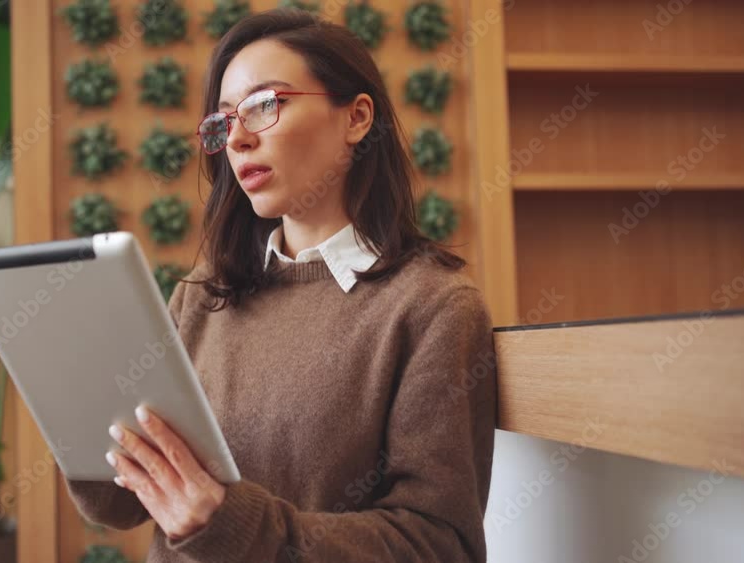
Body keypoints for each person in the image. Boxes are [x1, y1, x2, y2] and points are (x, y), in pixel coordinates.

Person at [63, 8, 497, 563]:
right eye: (224, 122)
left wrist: (235, 526)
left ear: (357, 117)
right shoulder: (201, 298)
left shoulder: (432, 308)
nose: (238, 139)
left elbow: (440, 544)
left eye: (265, 105)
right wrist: (78, 414)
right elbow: (121, 507)